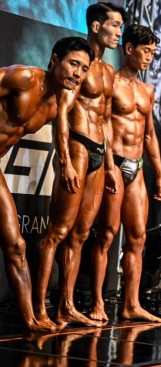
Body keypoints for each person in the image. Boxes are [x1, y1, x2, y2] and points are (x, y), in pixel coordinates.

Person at [33, 2, 125, 329]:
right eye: (114, 25)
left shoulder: (108, 72)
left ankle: (66, 306)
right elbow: (62, 111)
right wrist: (65, 160)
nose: (119, 32)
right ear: (96, 26)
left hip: (99, 152)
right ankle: (39, 308)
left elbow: (107, 119)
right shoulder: (78, 65)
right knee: (57, 232)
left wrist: (110, 165)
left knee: (81, 234)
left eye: (121, 27)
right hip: (78, 146)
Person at [0, 37, 93, 335]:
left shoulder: (57, 104)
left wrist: (65, 163)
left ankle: (30, 319)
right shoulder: (24, 77)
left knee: (16, 245)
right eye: (73, 64)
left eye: (84, 68)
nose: (78, 73)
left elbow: (62, 132)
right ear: (54, 60)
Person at [88, 25, 161, 323]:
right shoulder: (111, 82)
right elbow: (102, 125)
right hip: (114, 162)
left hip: (137, 167)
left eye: (152, 52)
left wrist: (159, 174)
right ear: (129, 48)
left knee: (137, 237)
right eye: (145, 51)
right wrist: (109, 165)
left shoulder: (148, 91)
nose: (149, 57)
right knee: (107, 234)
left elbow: (149, 135)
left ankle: (131, 304)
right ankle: (98, 302)